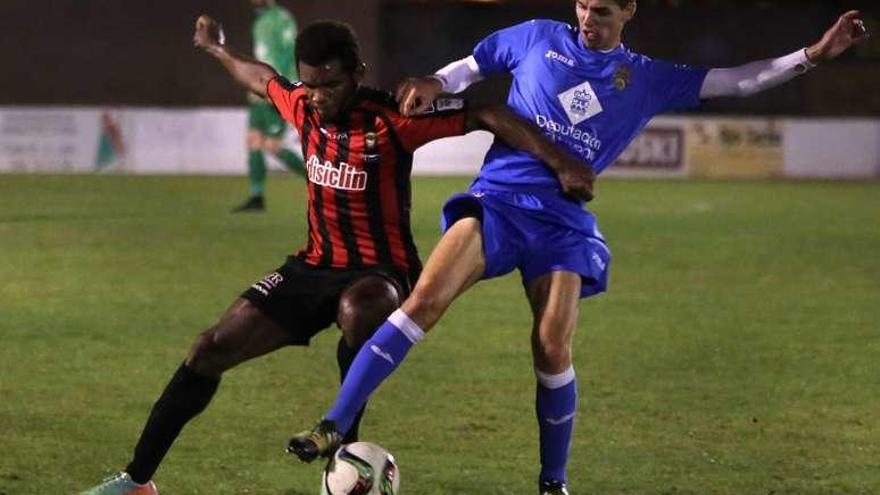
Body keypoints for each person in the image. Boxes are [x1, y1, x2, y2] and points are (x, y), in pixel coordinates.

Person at [288, 3, 869, 494]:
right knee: (421, 305)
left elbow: (735, 80)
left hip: (563, 224)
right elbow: (471, 66)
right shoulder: (537, 38)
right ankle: (334, 424)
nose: (590, 17)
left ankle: (552, 482)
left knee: (551, 345)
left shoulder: (644, 76)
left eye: (605, 9)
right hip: (499, 200)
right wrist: (437, 81)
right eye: (585, 5)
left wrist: (811, 56)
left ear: (629, 11)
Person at [76, 13, 596, 495]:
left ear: (357, 73)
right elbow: (259, 78)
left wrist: (560, 162)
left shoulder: (392, 119)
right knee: (209, 347)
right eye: (311, 84)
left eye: (332, 84)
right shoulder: (300, 103)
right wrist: (217, 49)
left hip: (380, 272)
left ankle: (342, 444)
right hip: (312, 266)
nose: (319, 96)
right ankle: (137, 481)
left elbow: (487, 112)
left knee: (360, 311)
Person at [234, 0, 306, 212]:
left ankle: (319, 184)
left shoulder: (280, 18)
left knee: (272, 146)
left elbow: (291, 52)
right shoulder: (260, 21)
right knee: (254, 140)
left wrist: (282, 87)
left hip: (276, 90)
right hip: (259, 89)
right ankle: (257, 198)